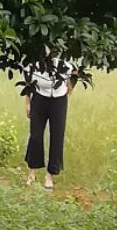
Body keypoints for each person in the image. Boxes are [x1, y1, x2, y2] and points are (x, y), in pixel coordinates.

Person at [19, 56, 77, 189]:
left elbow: (74, 74)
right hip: (39, 99)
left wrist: (69, 90)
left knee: (57, 136)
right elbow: (28, 85)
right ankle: (32, 172)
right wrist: (27, 103)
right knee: (35, 135)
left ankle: (50, 175)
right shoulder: (32, 66)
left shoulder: (64, 65)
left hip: (59, 101)